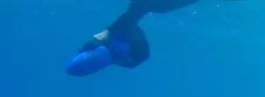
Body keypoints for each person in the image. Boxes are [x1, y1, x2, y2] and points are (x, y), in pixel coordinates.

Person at [65, 0, 235, 76]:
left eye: (116, 55)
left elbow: (134, 13)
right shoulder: (156, 5)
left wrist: (106, 35)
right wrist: (105, 35)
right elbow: (135, 12)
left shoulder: (155, 5)